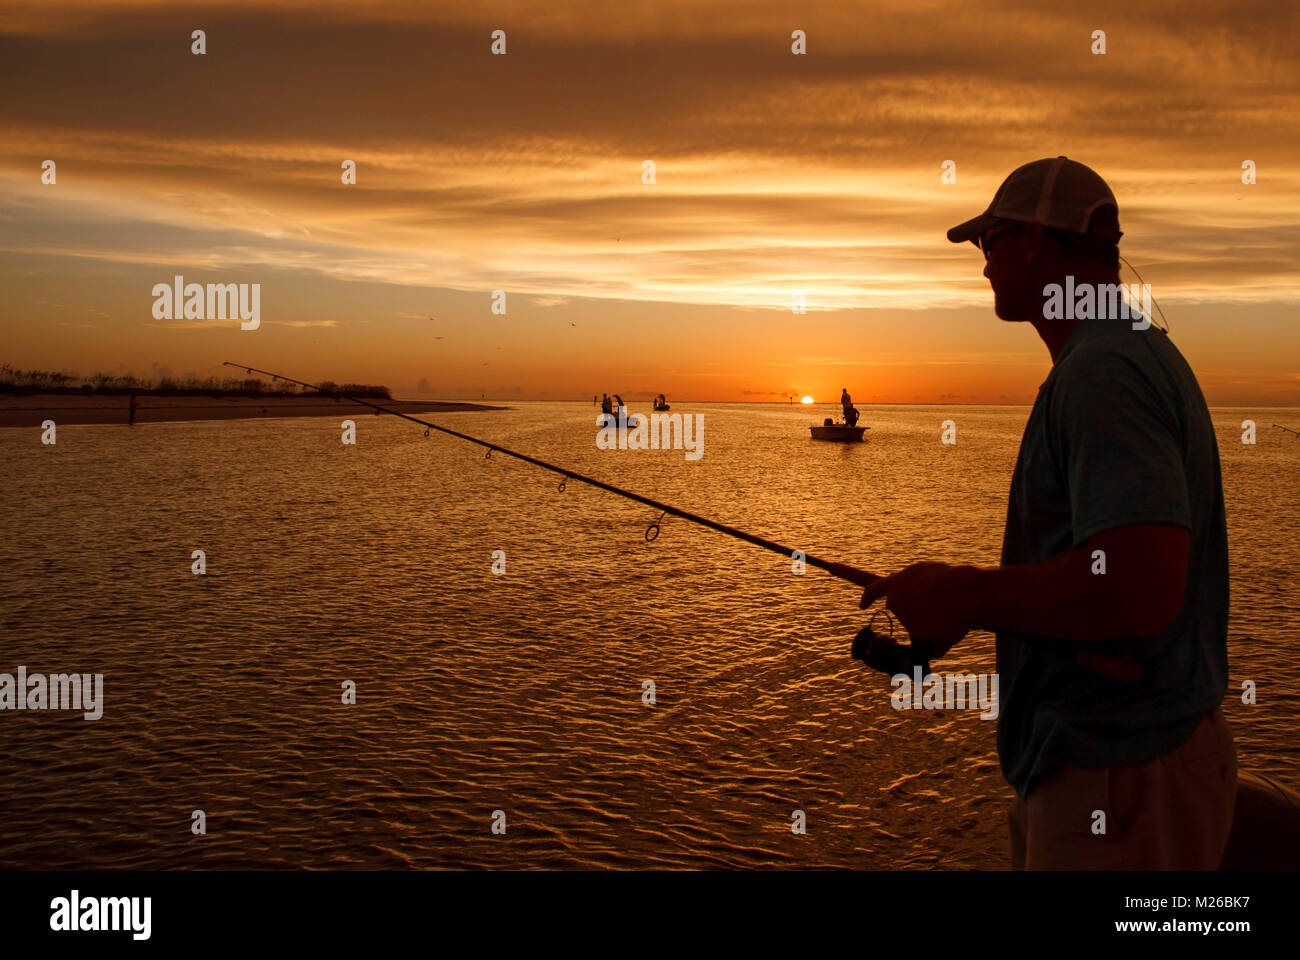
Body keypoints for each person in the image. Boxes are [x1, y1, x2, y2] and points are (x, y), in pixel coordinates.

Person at [860, 157, 1234, 870]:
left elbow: (1138, 587)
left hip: (1120, 781)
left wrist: (965, 592)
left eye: (989, 241)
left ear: (1033, 239)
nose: (982, 265)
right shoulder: (1124, 354)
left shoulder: (1102, 372)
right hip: (1124, 774)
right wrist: (965, 607)